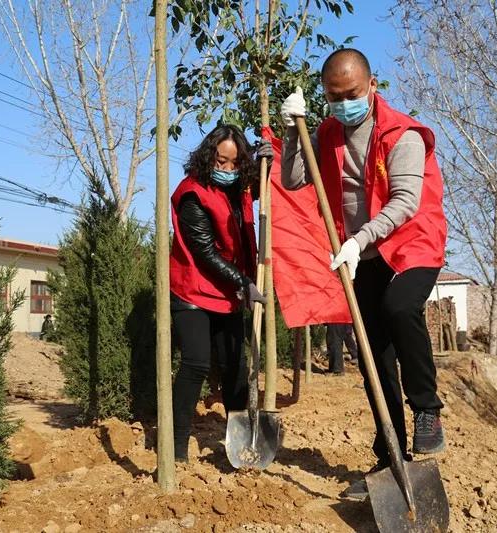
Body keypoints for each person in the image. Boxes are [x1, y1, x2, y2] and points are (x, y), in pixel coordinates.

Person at [280, 48, 448, 497]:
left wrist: (358, 238)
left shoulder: (401, 134)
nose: (342, 103)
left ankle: (427, 410)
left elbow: (406, 202)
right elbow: (296, 179)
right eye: (333, 96)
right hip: (364, 255)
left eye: (351, 93)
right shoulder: (328, 130)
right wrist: (292, 130)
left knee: (399, 306)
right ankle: (390, 457)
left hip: (412, 243)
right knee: (374, 355)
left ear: (372, 86)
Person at [169, 124, 272, 463]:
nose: (227, 169)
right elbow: (204, 252)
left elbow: (261, 190)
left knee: (234, 368)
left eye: (234, 163)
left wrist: (268, 162)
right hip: (193, 291)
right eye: (220, 161)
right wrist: (244, 283)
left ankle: (241, 441)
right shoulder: (192, 193)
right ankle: (176, 445)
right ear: (208, 157)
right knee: (196, 364)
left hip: (227, 295)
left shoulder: (238, 188)